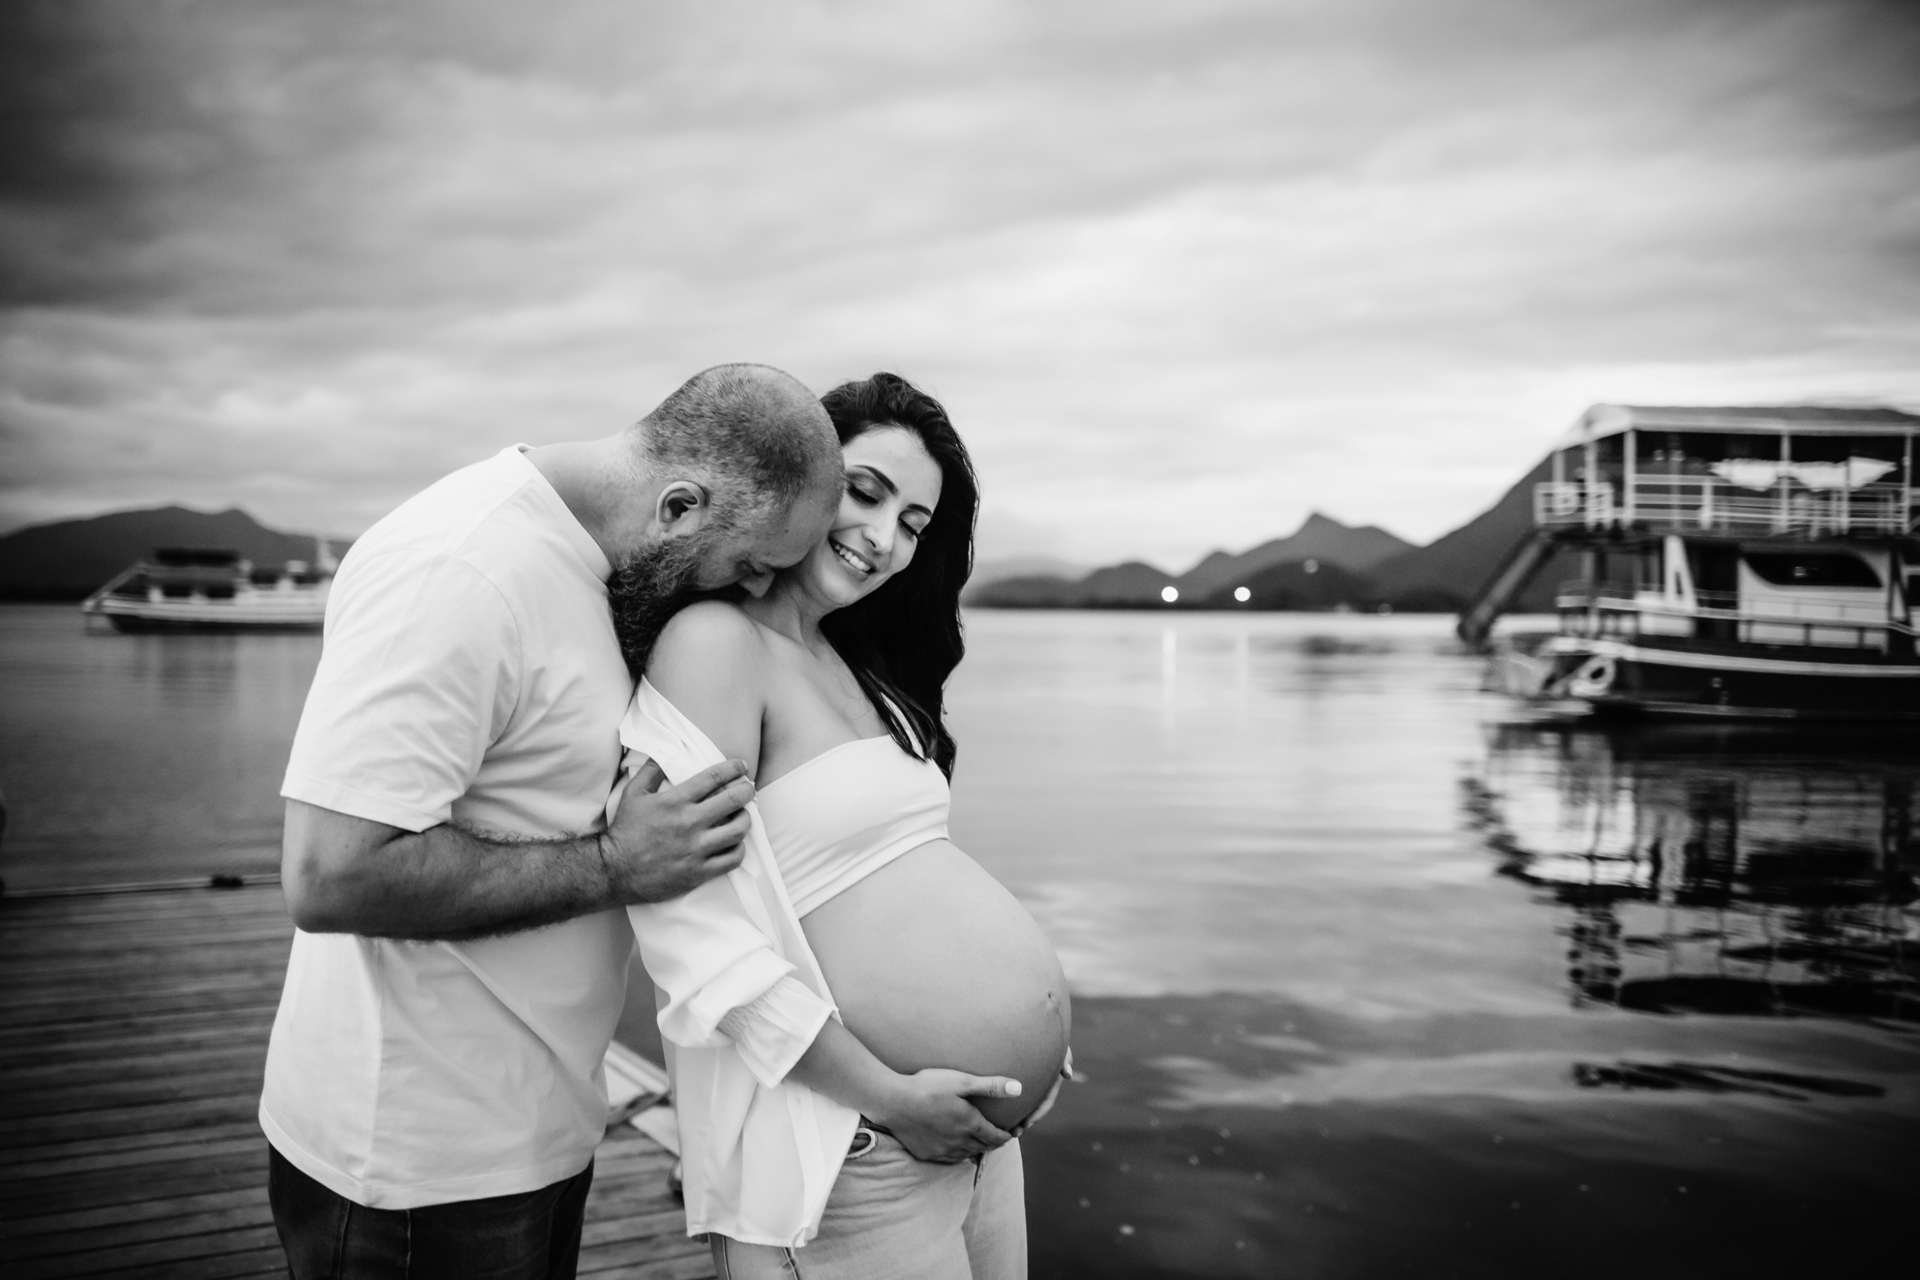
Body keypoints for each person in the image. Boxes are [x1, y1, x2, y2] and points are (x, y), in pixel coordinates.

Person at [261, 364, 845, 1279]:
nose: (751, 590)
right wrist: (616, 865)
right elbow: (332, 874)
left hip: (536, 1131)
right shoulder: (459, 567)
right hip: (412, 1164)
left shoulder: (604, 572)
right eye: (751, 566)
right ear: (679, 507)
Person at [616, 373, 1072, 1279]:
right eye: (866, 492)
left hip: (971, 1142)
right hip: (854, 1149)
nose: (884, 537)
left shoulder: (857, 664)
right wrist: (892, 1097)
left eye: (914, 523)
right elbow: (689, 928)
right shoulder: (717, 642)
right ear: (800, 475)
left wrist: (1027, 1041)